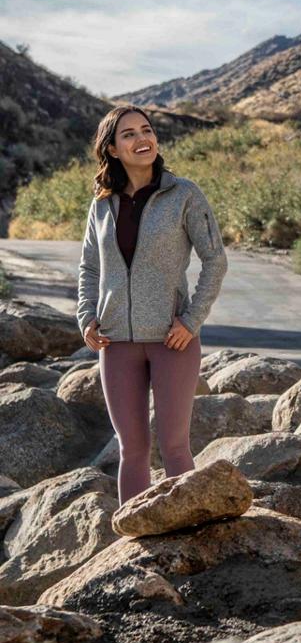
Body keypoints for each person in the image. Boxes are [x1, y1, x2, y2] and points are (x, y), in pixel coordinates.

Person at [77, 106, 228, 503]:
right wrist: (86, 316)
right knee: (132, 451)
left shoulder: (184, 195)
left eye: (146, 130)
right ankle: (134, 544)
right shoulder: (102, 205)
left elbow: (215, 259)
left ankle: (190, 535)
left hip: (171, 340)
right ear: (111, 148)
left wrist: (192, 320)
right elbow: (90, 268)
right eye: (128, 134)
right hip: (116, 343)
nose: (142, 139)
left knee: (175, 448)